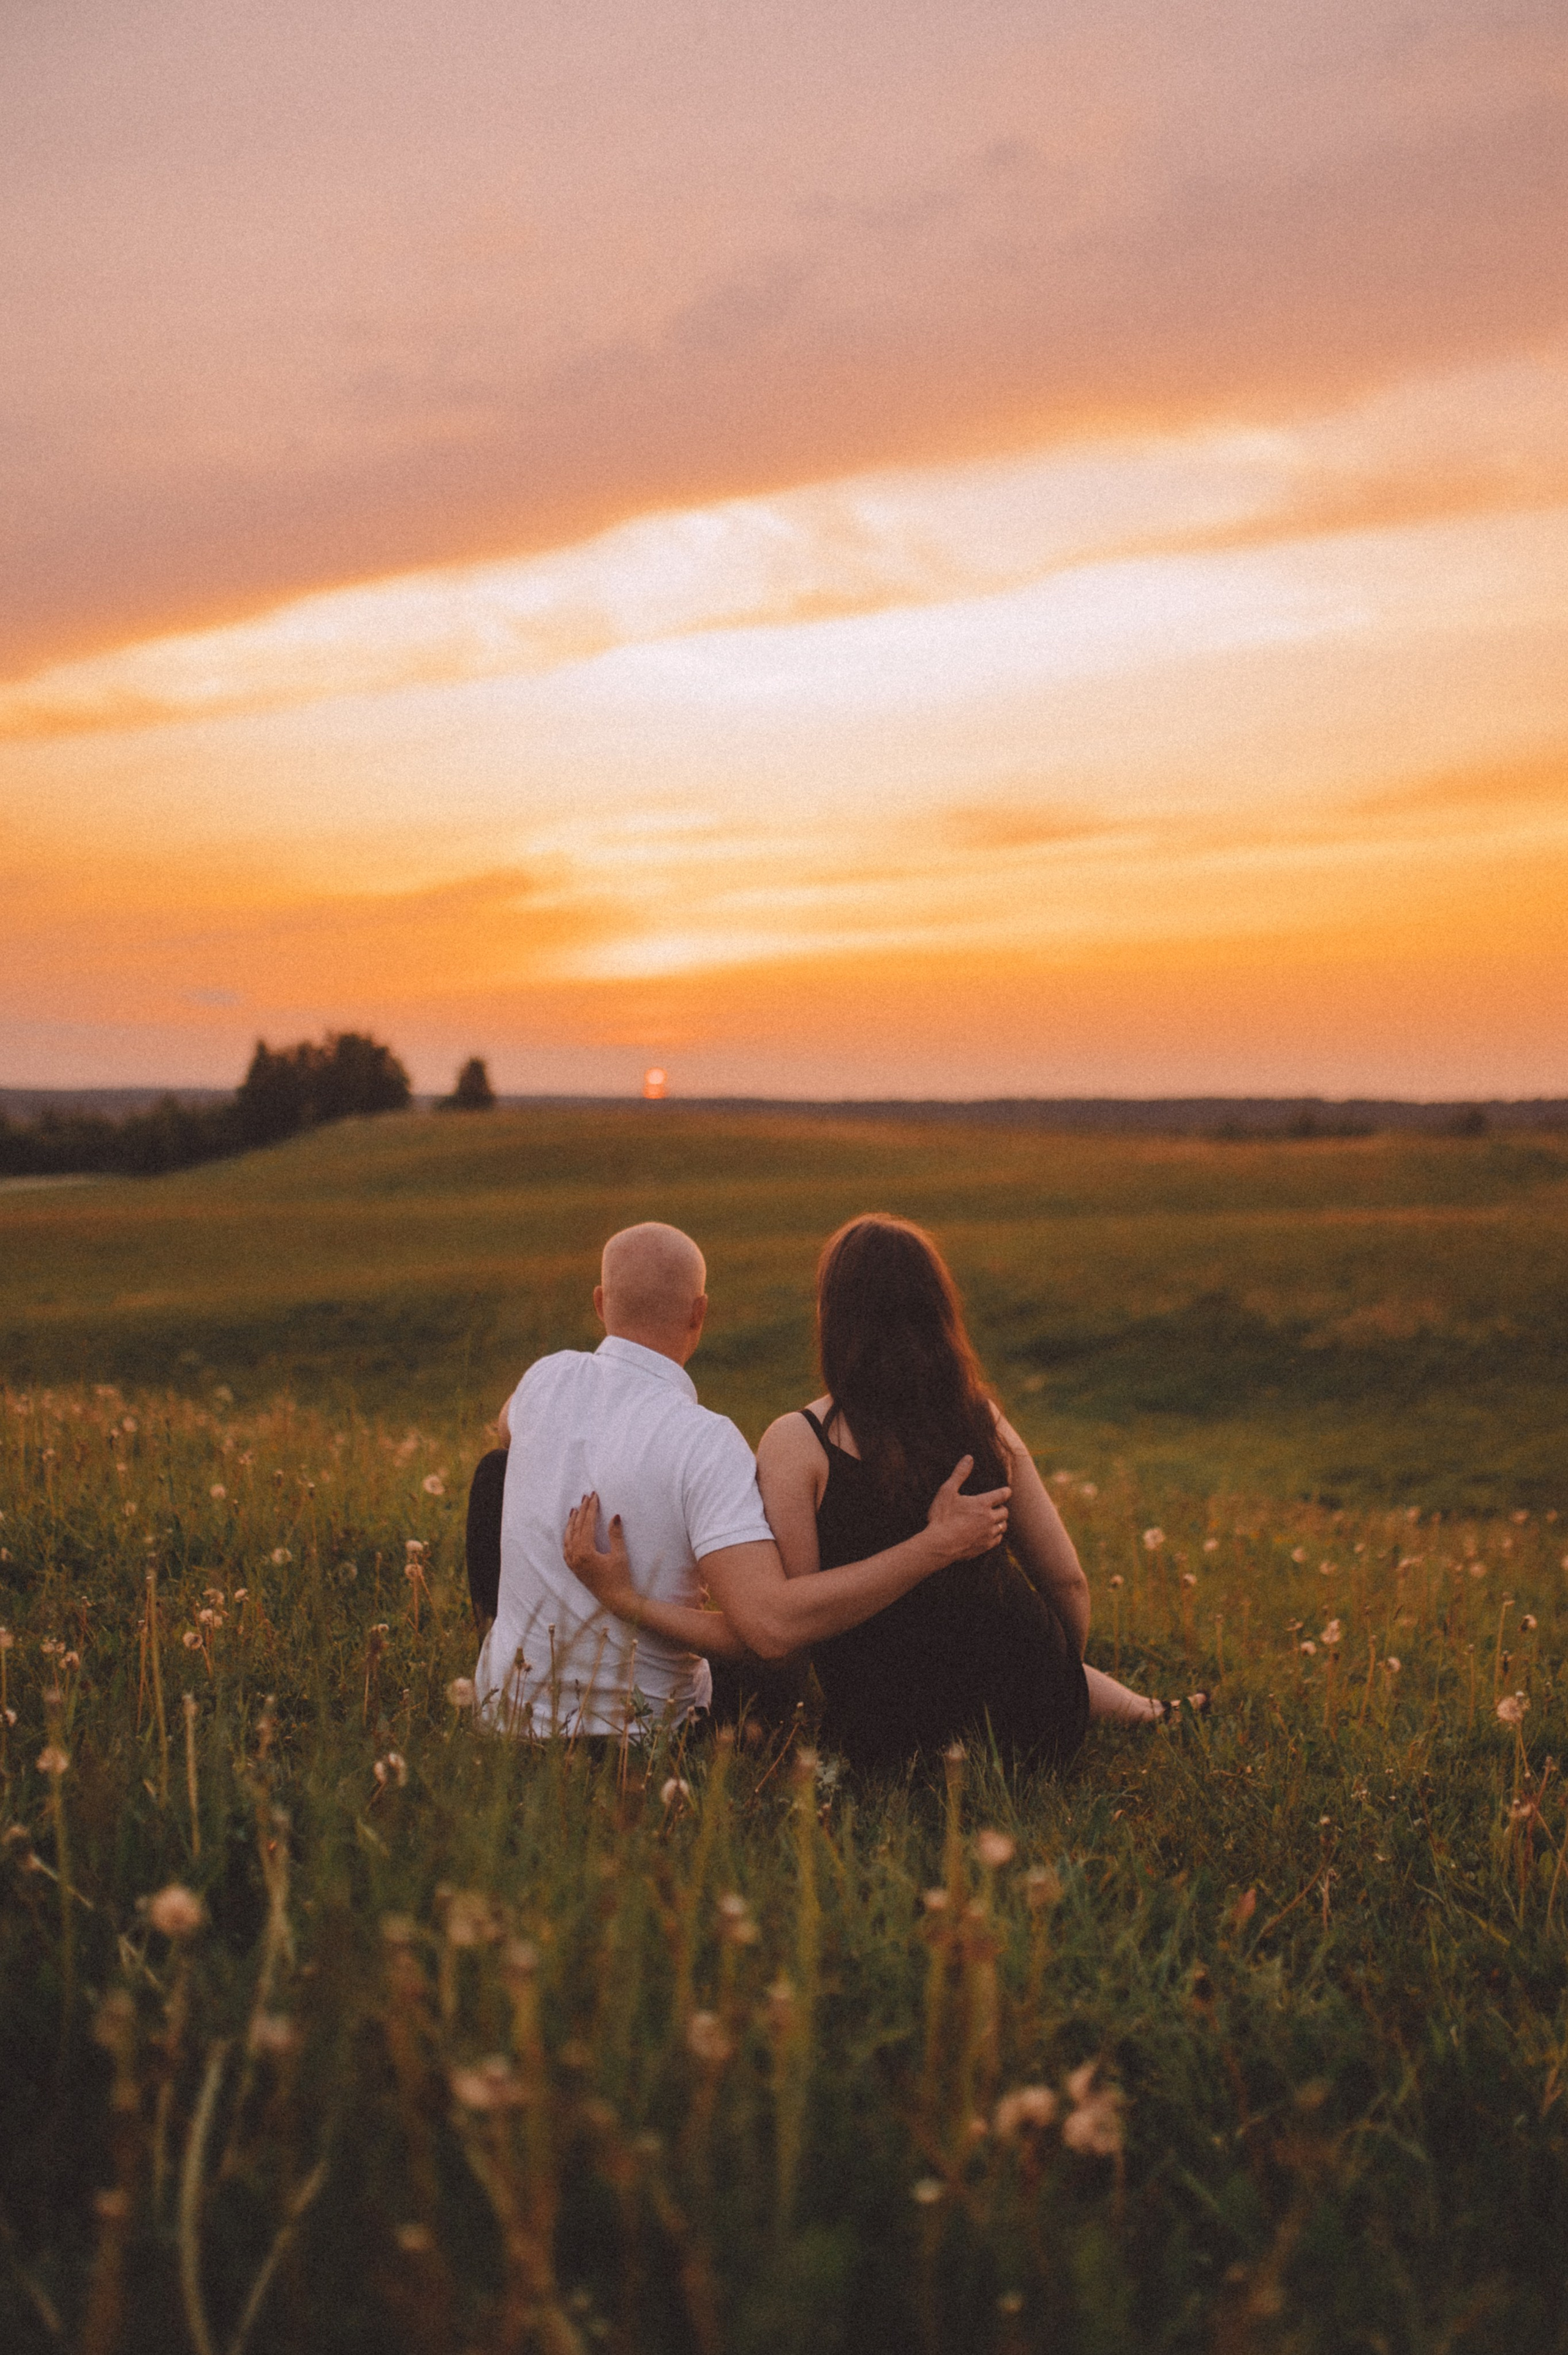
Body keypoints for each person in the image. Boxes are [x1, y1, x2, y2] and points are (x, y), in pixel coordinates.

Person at [566, 1214, 1182, 1773]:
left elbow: (786, 1641)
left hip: (894, 1737)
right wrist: (1058, 1682)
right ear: (941, 1314)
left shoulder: (798, 1442)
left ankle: (1144, 1708)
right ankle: (1144, 1709)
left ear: (831, 1317)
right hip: (1042, 1722)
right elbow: (1067, 1580)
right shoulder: (983, 1421)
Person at [472, 1220, 1010, 1743]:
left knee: (494, 1473)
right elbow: (769, 1634)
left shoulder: (544, 1379)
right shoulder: (705, 1441)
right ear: (699, 1314)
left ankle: (509, 1649)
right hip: (652, 1733)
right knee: (776, 1658)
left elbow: (506, 1429)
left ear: (600, 1303)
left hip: (505, 1720)